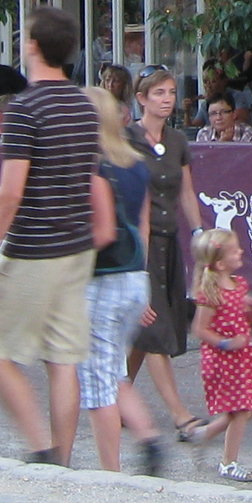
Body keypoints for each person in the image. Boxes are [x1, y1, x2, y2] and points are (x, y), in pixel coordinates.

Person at [0, 7, 108, 464]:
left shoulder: (25, 109)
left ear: (32, 45)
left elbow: (10, 194)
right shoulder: (84, 105)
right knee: (62, 359)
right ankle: (61, 457)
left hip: (33, 244)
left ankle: (40, 445)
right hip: (76, 243)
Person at [81, 84, 167, 474]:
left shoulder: (93, 166)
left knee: (98, 380)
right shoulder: (137, 164)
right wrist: (142, 280)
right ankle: (147, 436)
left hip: (102, 277)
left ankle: (110, 469)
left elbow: (99, 232)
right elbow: (143, 227)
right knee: (115, 369)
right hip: (134, 274)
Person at [122, 65, 207, 444]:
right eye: (159, 93)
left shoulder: (176, 140)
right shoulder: (127, 139)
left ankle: (115, 395)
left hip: (168, 241)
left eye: (171, 92)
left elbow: (186, 191)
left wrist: (199, 233)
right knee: (154, 327)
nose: (167, 99)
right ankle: (180, 415)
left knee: (151, 330)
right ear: (141, 98)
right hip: (138, 243)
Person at [190, 225, 252, 482]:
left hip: (240, 358)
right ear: (221, 264)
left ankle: (205, 433)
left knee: (248, 409)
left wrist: (250, 311)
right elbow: (200, 329)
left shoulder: (238, 285)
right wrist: (224, 343)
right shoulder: (211, 293)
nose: (241, 252)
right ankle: (228, 463)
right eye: (234, 251)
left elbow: (236, 317)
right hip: (223, 360)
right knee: (241, 410)